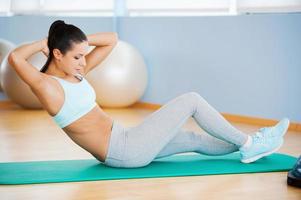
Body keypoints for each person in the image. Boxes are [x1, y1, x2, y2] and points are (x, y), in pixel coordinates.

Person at [8, 20, 290, 168]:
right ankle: (250, 143)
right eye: (77, 56)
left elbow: (112, 40)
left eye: (84, 56)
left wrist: (80, 43)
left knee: (191, 138)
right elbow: (15, 60)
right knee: (191, 100)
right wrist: (42, 42)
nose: (84, 61)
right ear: (56, 54)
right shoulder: (49, 86)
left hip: (126, 141)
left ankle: (250, 145)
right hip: (123, 151)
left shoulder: (75, 74)